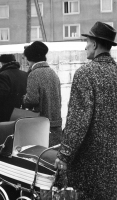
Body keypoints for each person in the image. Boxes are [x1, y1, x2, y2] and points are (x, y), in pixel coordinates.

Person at [55, 21, 117, 200]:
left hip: (89, 162)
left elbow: (78, 121)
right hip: (112, 162)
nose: (85, 47)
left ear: (96, 44)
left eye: (87, 42)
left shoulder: (85, 73)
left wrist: (65, 154)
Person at [22, 41, 62, 147]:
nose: (26, 63)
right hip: (55, 124)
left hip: (40, 125)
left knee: (39, 158)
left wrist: (23, 98)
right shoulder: (53, 73)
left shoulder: (34, 74)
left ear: (30, 58)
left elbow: (32, 100)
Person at [0, 54, 28, 123]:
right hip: (22, 110)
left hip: (7, 112)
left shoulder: (3, 75)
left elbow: (1, 94)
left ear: (2, 63)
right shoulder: (25, 74)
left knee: (6, 132)